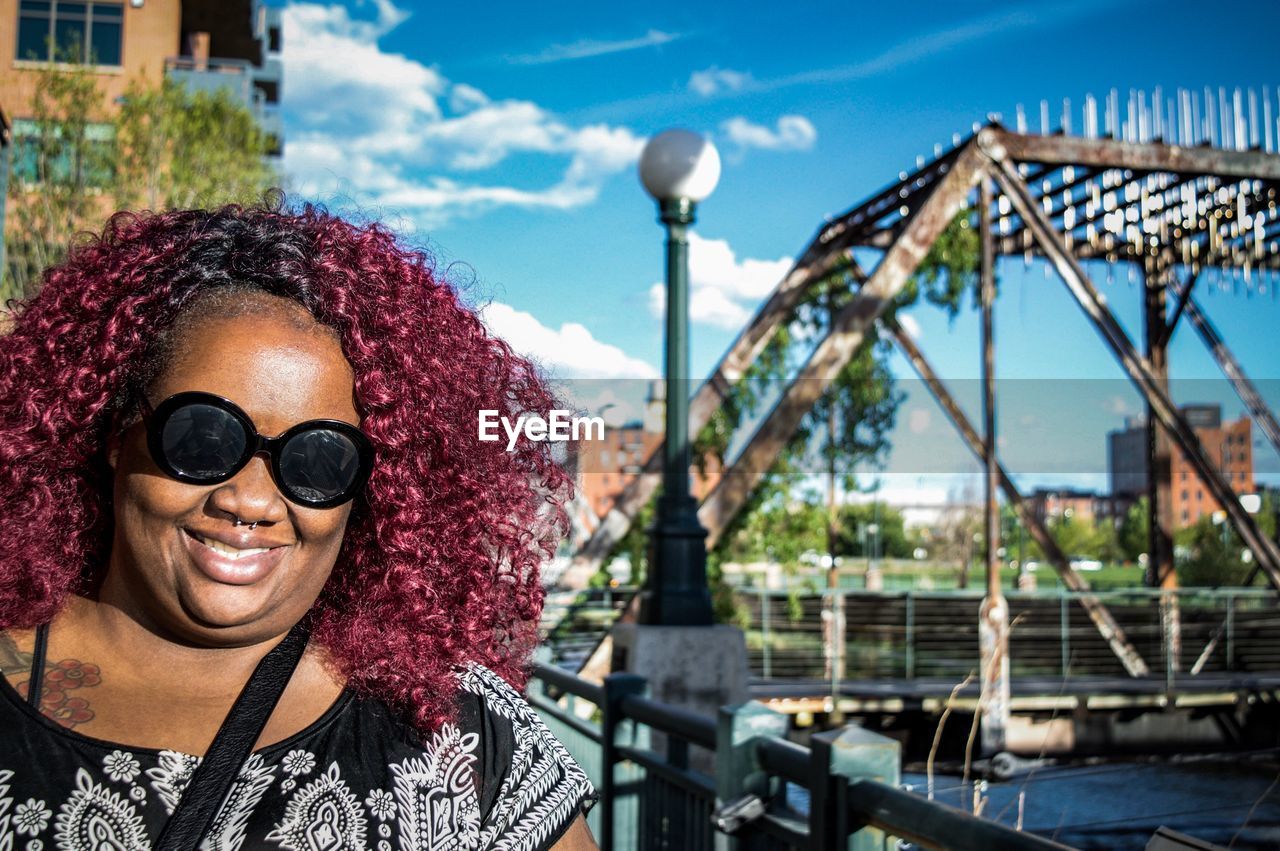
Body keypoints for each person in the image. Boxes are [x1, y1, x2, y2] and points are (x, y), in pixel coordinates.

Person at [0, 199, 598, 850]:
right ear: (118, 431)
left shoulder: (464, 739)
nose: (250, 499)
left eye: (319, 458)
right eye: (203, 435)